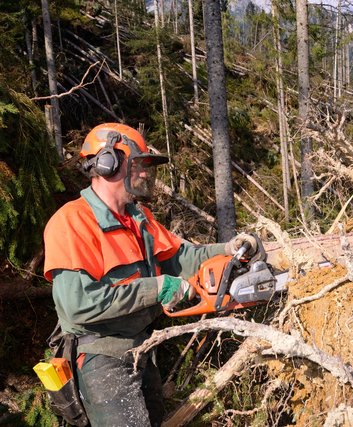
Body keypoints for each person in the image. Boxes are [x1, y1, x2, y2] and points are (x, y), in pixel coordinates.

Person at [43, 123, 258, 426]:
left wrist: (230, 248)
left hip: (141, 351)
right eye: (139, 165)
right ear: (108, 164)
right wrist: (157, 288)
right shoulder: (72, 222)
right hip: (101, 358)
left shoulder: (138, 218)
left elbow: (181, 258)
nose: (145, 174)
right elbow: (77, 306)